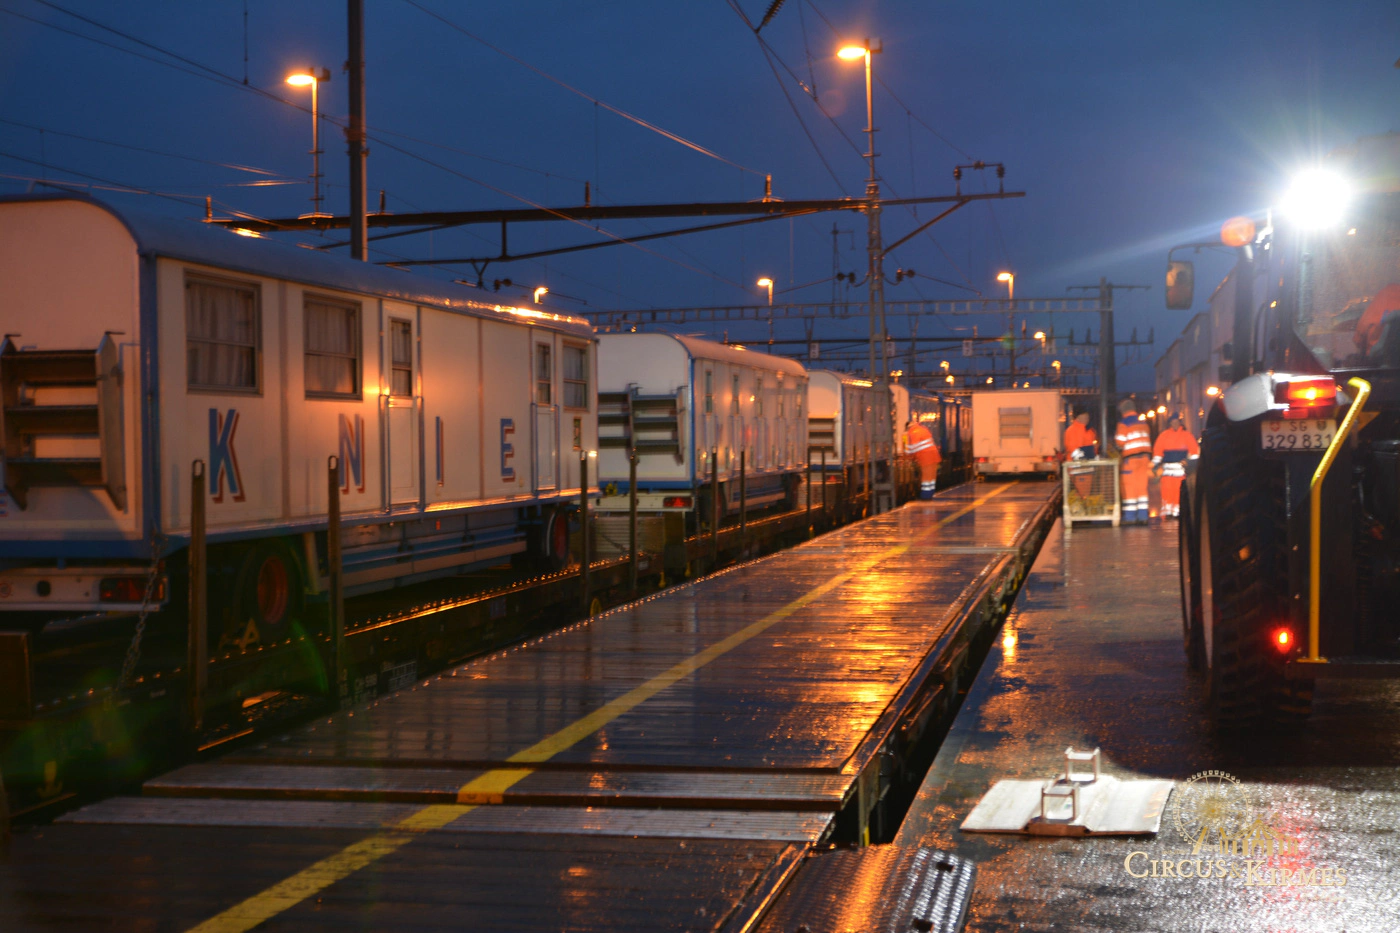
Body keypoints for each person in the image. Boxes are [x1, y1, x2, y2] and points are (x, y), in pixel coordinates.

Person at [1151, 414, 1199, 519]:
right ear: (1170, 424)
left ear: (1179, 423)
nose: (1175, 424)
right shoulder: (1164, 436)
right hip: (1167, 470)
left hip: (1181, 470)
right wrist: (1155, 465)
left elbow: (1195, 452)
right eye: (1173, 422)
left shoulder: (1187, 435)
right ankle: (1168, 512)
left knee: (1179, 491)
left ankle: (1178, 512)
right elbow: (1158, 452)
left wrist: (1188, 462)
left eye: (1176, 422)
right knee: (1167, 491)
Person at [1114, 398, 1153, 524]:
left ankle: (1130, 517)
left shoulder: (1124, 423)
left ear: (1123, 411)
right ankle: (1143, 516)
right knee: (1142, 488)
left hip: (1131, 460)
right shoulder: (1143, 423)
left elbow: (1120, 442)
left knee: (1130, 487)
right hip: (1144, 459)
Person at [904, 420, 942, 500]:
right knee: (931, 477)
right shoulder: (923, 429)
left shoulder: (913, 432)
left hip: (925, 457)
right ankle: (930, 493)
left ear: (908, 427)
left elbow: (913, 447)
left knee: (926, 478)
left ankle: (925, 496)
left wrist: (909, 455)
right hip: (933, 456)